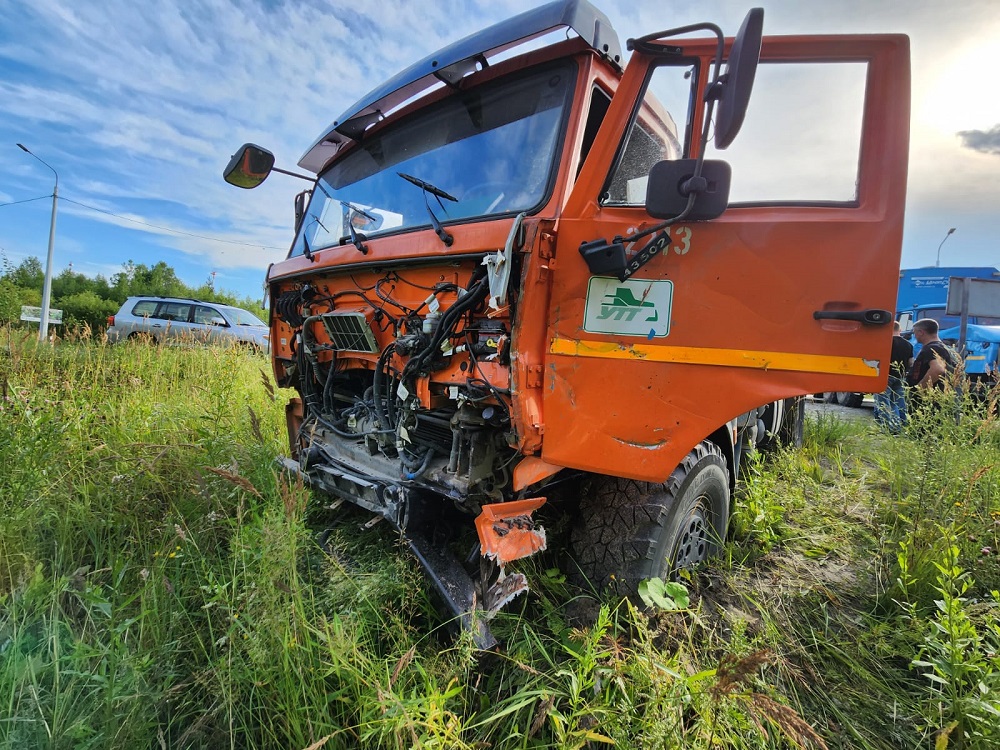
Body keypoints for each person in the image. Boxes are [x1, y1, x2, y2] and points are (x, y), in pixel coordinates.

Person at [906, 319, 956, 414]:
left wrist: (919, 389)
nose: (914, 335)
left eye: (915, 332)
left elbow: (938, 369)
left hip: (928, 400)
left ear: (921, 332)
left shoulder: (932, 348)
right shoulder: (944, 348)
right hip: (938, 397)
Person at [874, 321, 912, 432]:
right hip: (900, 377)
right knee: (899, 402)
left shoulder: (885, 342)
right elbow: (910, 362)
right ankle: (902, 425)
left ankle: (887, 427)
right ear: (899, 330)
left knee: (883, 403)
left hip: (885, 376)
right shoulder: (908, 344)